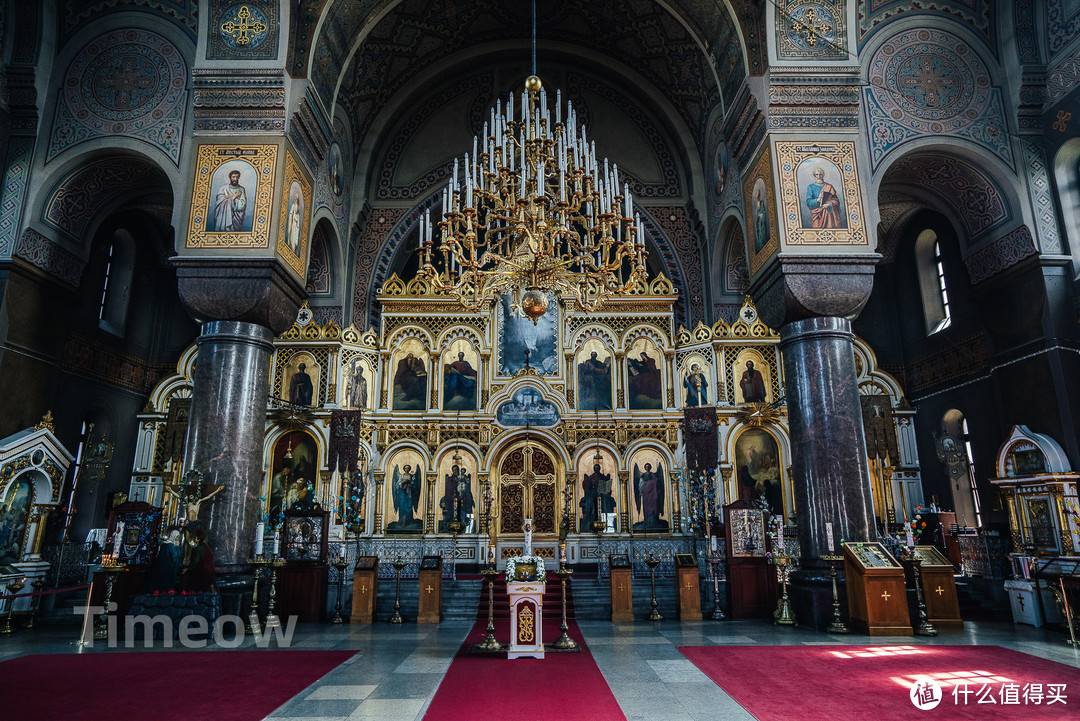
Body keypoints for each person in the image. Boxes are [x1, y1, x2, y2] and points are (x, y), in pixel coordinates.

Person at [179, 523, 216, 593]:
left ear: (198, 538)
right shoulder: (205, 547)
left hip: (201, 572)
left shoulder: (198, 549)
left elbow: (195, 561)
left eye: (195, 537)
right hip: (207, 571)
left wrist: (188, 569)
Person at [144, 526, 182, 593]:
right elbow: (175, 558)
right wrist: (177, 548)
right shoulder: (171, 545)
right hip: (168, 571)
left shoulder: (163, 544)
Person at [634, 462, 666, 531]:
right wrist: (640, 491)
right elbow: (641, 483)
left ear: (650, 467)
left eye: (648, 467)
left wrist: (654, 482)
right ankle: (647, 521)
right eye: (646, 467)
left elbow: (656, 483)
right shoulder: (643, 475)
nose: (647, 468)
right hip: (646, 494)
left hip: (653, 493)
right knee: (647, 507)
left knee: (654, 506)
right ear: (645, 468)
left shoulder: (653, 475)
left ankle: (654, 521)